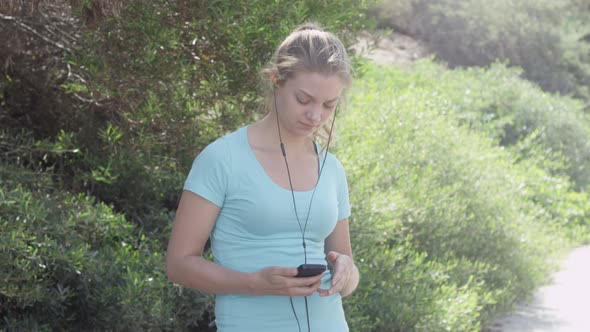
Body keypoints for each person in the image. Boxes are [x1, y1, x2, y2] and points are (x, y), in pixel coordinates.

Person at [166, 22, 359, 332]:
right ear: (275, 80)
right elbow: (178, 264)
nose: (315, 116)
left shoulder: (332, 169)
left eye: (329, 105)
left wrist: (347, 273)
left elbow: (347, 273)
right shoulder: (222, 158)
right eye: (304, 99)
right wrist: (253, 283)